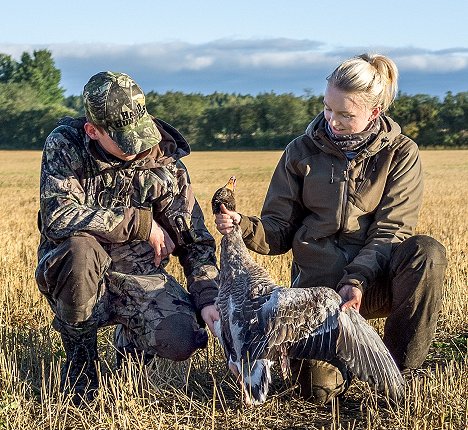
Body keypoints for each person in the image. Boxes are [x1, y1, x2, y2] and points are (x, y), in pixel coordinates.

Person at [214, 53, 447, 404]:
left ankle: (399, 375)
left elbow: (390, 231)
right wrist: (243, 226)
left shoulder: (400, 153)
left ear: (374, 112)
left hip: (373, 284)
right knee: (316, 393)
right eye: (327, 108)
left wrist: (355, 281)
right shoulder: (299, 151)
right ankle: (349, 361)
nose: (332, 121)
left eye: (345, 114)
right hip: (317, 297)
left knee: (426, 253)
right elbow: (278, 229)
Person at [36, 71, 220, 405]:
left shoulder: (164, 159)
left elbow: (196, 241)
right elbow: (58, 216)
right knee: (79, 251)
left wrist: (207, 297)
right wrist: (139, 224)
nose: (136, 149)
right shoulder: (65, 145)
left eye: (140, 134)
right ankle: (82, 363)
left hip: (136, 271)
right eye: (124, 141)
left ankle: (132, 353)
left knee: (182, 338)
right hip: (78, 268)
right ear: (92, 131)